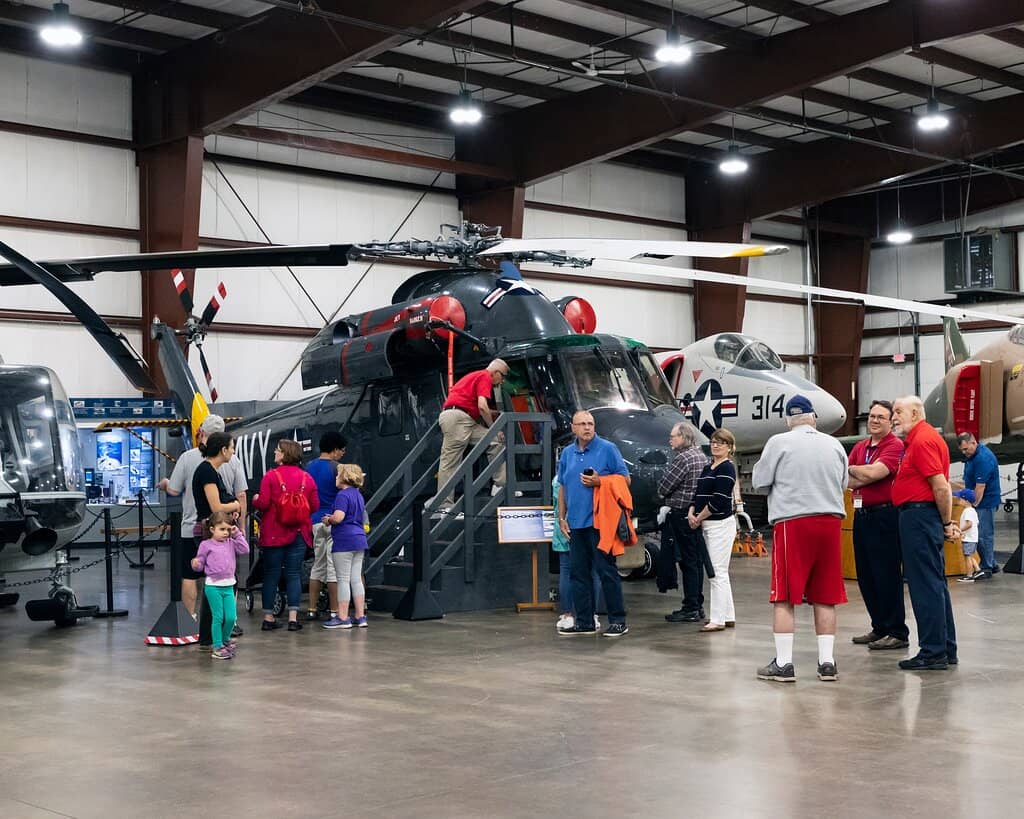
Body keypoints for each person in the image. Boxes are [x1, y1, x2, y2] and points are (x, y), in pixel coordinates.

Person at [752, 395, 849, 683]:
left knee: (784, 595)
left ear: (787, 419)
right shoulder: (835, 445)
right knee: (826, 595)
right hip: (830, 522)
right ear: (814, 417)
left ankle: (783, 663)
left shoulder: (779, 442)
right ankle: (827, 662)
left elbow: (759, 481)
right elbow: (844, 482)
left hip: (793, 522)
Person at [158, 414, 247, 622]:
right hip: (223, 529)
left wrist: (164, 484)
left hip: (192, 528)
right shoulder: (231, 461)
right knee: (225, 575)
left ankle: (190, 619)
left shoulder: (188, 457)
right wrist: (240, 524)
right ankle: (227, 621)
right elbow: (241, 494)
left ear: (202, 432)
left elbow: (173, 489)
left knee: (189, 575)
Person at [891, 395, 958, 671]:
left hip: (920, 517)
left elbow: (941, 487)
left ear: (916, 413)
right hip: (920, 517)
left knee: (924, 585)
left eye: (898, 412)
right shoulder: (919, 440)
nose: (894, 417)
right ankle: (945, 648)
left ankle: (932, 652)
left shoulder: (922, 441)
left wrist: (945, 522)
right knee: (935, 583)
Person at [557, 410, 630, 637]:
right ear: (573, 428)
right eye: (582, 424)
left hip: (601, 523)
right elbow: (562, 486)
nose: (587, 428)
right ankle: (585, 621)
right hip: (576, 524)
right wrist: (561, 517)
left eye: (590, 424)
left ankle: (618, 620)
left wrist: (601, 481)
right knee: (578, 574)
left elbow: (625, 479)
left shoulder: (608, 449)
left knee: (606, 571)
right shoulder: (567, 453)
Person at [846, 399, 909, 651]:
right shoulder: (861, 446)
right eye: (871, 416)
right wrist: (861, 472)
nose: (874, 420)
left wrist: (855, 470)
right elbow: (848, 481)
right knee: (866, 575)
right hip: (862, 516)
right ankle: (879, 626)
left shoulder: (894, 445)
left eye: (880, 417)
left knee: (887, 574)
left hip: (885, 516)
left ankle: (897, 631)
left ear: (890, 421)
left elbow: (875, 474)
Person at [252, 439, 319, 632]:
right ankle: (293, 618)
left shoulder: (270, 477)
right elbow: (314, 506)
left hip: (273, 533)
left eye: (278, 450)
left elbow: (263, 504)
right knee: (293, 574)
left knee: (271, 573)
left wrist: (256, 499)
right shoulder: (307, 478)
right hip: (298, 532)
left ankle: (268, 617)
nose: (275, 452)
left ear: (284, 454)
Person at [435, 359, 509, 514]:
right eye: (502, 377)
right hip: (458, 419)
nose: (501, 382)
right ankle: (443, 506)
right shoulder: (485, 376)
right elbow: (482, 406)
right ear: (496, 372)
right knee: (450, 461)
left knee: (495, 441)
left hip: (464, 418)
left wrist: (492, 417)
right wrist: (493, 427)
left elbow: (473, 405)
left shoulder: (475, 376)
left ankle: (500, 485)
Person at [658, 422, 709, 624]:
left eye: (673, 436)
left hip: (680, 514)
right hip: (695, 514)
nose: (670, 440)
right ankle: (698, 605)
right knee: (695, 561)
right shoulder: (701, 456)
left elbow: (664, 486)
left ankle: (690, 608)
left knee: (687, 562)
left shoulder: (683, 459)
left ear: (683, 437)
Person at [690, 428, 737, 633]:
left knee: (715, 571)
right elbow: (698, 493)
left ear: (729, 447)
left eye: (721, 442)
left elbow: (719, 499)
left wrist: (698, 517)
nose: (716, 445)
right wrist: (692, 512)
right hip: (706, 523)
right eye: (714, 441)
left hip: (719, 524)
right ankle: (727, 615)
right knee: (721, 572)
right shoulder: (708, 466)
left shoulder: (727, 468)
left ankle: (717, 619)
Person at [191, 511, 250, 660]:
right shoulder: (206, 545)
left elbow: (245, 549)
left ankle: (224, 639)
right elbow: (200, 562)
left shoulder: (231, 543)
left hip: (229, 585)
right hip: (213, 587)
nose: (225, 533)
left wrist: (236, 533)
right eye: (222, 529)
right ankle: (217, 645)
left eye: (228, 529)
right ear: (212, 529)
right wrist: (196, 564)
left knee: (230, 617)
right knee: (218, 616)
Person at [305, 431, 347, 622]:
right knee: (333, 568)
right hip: (333, 521)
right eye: (341, 450)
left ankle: (312, 608)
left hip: (314, 521)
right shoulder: (337, 468)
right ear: (335, 450)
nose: (342, 454)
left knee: (317, 565)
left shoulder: (309, 466)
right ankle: (334, 611)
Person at [322, 464, 369, 629]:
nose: (335, 478)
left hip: (344, 540)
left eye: (337, 475)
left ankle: (342, 617)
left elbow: (339, 517)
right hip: (359, 539)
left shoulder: (342, 495)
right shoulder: (358, 495)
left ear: (344, 477)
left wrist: (329, 519)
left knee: (343, 580)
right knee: (356, 579)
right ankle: (360, 615)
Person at [553, 475, 602, 632]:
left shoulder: (558, 481)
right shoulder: (594, 478)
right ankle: (592, 614)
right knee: (593, 571)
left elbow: (558, 503)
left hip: (564, 528)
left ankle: (568, 615)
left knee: (566, 571)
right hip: (590, 528)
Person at [957, 432, 1001, 579]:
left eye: (965, 449)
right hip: (978, 499)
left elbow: (980, 487)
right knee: (981, 534)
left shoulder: (983, 459)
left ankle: (987, 568)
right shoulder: (972, 456)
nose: (964, 453)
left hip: (985, 502)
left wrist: (972, 506)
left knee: (983, 535)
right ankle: (992, 563)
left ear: (973, 442)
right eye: (962, 450)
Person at [954, 489, 981, 582]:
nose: (958, 500)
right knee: (970, 555)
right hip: (973, 538)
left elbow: (969, 524)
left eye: (960, 498)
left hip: (969, 538)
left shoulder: (967, 511)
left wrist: (960, 531)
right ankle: (978, 570)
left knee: (967, 556)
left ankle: (969, 575)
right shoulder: (973, 510)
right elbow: (976, 524)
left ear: (966, 501)